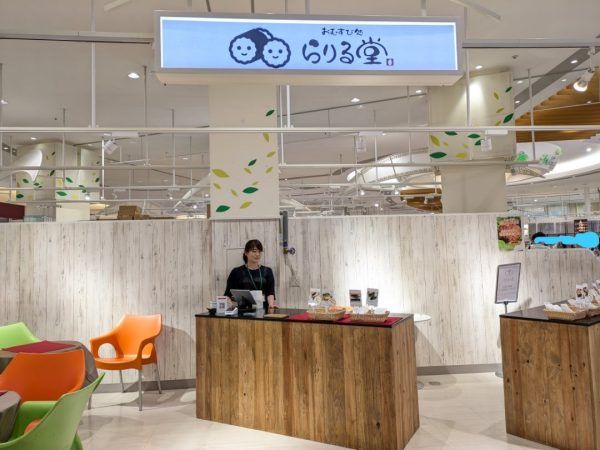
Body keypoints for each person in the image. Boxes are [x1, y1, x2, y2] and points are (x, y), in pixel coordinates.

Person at [224, 239, 278, 310]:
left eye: (259, 251)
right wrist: (228, 306)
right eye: (254, 251)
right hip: (242, 311)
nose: (257, 254)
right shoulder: (236, 272)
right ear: (246, 253)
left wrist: (271, 304)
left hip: (263, 310)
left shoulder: (267, 271)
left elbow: (270, 293)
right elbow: (228, 294)